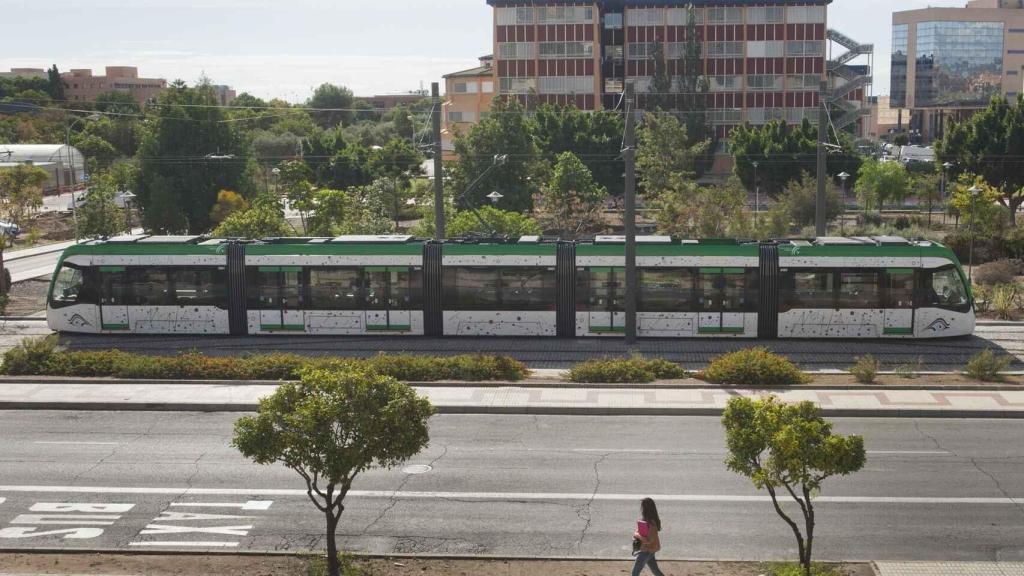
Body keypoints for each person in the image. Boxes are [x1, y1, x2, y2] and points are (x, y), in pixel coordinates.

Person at [632, 497, 665, 576]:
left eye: (642, 506)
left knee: (635, 573)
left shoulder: (651, 523)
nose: (641, 508)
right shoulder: (646, 519)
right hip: (650, 550)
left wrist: (640, 537)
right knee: (655, 571)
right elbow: (636, 533)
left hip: (646, 550)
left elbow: (648, 540)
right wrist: (640, 536)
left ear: (646, 508)